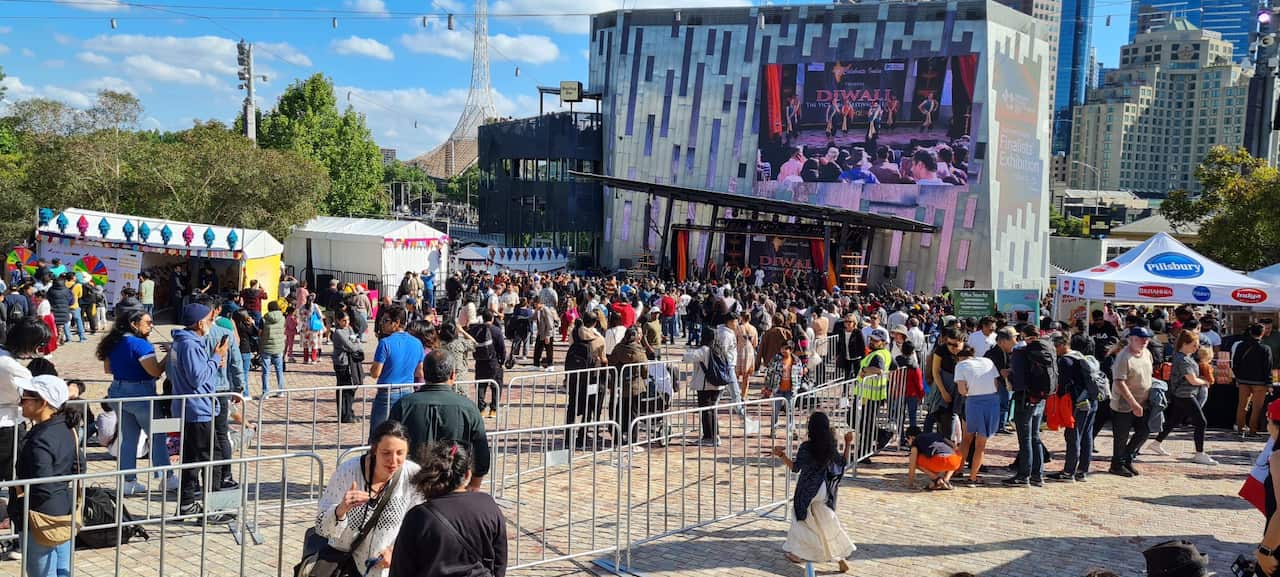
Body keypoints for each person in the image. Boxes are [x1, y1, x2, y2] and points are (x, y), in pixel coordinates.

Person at [315, 421, 423, 577]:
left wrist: (396, 551)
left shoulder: (412, 475)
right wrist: (341, 509)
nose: (393, 461)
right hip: (345, 566)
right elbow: (322, 528)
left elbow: (418, 526)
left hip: (386, 569)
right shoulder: (348, 471)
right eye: (386, 453)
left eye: (400, 453)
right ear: (374, 450)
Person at [389, 441, 508, 577]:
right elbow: (499, 562)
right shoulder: (488, 504)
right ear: (468, 475)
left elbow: (401, 570)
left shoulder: (418, 517)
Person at [97, 309, 176, 495]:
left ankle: (128, 480)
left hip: (118, 391)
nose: (151, 326)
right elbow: (155, 371)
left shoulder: (112, 342)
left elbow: (108, 369)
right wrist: (169, 354)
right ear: (134, 324)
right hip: (141, 392)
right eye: (148, 322)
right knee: (156, 436)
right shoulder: (140, 345)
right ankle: (167, 478)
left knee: (128, 438)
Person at [9, 374, 81, 577]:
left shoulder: (39, 439)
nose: (20, 403)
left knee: (42, 572)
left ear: (43, 403)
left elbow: (42, 483)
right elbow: (79, 467)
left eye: (24, 399)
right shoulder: (67, 427)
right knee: (61, 569)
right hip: (63, 509)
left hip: (39, 516)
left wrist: (21, 498)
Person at [389, 350, 490, 490]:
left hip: (412, 482)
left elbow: (389, 444)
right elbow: (481, 451)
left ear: (423, 373)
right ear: (453, 375)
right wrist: (475, 483)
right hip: (451, 483)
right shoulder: (468, 408)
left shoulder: (403, 405)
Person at [168, 303, 232, 521]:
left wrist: (213, 361)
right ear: (199, 322)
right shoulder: (190, 345)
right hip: (198, 408)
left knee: (192, 458)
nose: (212, 323)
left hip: (190, 407)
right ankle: (211, 509)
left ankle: (186, 504)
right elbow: (197, 377)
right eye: (209, 319)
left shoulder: (181, 341)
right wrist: (215, 357)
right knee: (211, 458)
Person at [771, 412, 854, 573]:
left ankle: (800, 554)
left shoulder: (806, 447)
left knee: (800, 522)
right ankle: (839, 557)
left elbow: (795, 468)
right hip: (823, 489)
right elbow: (842, 463)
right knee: (827, 521)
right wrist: (848, 443)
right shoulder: (830, 445)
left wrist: (781, 454)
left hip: (807, 490)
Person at [1148, 331, 1217, 465]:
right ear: (1184, 344)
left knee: (1174, 420)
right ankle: (1199, 453)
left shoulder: (1183, 357)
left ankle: (1156, 443)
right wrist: (1204, 381)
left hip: (1183, 394)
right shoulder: (1183, 359)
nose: (1196, 348)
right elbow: (1192, 380)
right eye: (1194, 345)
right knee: (1201, 422)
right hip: (1185, 395)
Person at [1003, 324, 1055, 487]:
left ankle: (1023, 475)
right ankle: (1037, 475)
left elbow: (1018, 380)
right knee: (1035, 437)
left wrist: (1008, 376)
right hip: (1041, 397)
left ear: (1023, 335)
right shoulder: (1048, 347)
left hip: (1025, 397)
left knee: (1025, 439)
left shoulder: (1021, 352)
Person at [1047, 334, 1096, 482]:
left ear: (1061, 345)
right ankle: (1082, 471)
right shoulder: (1080, 356)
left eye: (1054, 347)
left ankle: (1069, 472)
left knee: (1072, 435)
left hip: (1077, 403)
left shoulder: (1065, 361)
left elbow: (1062, 385)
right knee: (1086, 435)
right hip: (1091, 400)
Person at [370, 305, 424, 432]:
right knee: (402, 432)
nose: (382, 324)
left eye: (386, 321)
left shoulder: (385, 343)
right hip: (408, 390)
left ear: (397, 323)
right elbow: (419, 371)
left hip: (387, 392)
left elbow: (375, 373)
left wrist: (373, 369)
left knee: (378, 433)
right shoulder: (417, 342)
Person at [1109, 326, 1154, 478]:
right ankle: (1117, 464)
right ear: (1131, 339)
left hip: (1144, 401)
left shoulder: (1147, 353)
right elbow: (1119, 382)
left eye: (1146, 339)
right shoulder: (1124, 357)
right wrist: (1133, 403)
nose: (1144, 342)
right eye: (1140, 339)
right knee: (1121, 436)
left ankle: (1127, 458)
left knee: (1144, 431)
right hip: (1124, 403)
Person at [954, 345, 999, 486]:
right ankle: (973, 477)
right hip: (991, 402)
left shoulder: (961, 366)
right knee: (981, 445)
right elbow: (996, 383)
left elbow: (962, 391)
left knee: (966, 439)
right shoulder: (987, 361)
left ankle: (958, 470)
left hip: (973, 402)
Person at [1234, 323, 1273, 437]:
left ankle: (1240, 428)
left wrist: (1238, 376)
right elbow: (1268, 367)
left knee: (1242, 405)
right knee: (1257, 408)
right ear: (1262, 333)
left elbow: (1235, 363)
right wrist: (1269, 383)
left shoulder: (1241, 346)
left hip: (1244, 380)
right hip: (1260, 382)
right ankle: (1253, 430)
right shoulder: (1265, 348)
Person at [467, 311, 506, 418]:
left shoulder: (476, 330)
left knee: (480, 385)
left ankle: (481, 409)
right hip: (493, 361)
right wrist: (502, 361)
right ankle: (493, 409)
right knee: (496, 385)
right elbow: (502, 348)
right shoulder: (496, 330)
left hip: (480, 361)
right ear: (492, 318)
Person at [331, 311, 364, 424]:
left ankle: (349, 411)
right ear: (338, 321)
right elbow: (351, 346)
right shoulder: (338, 333)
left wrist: (356, 345)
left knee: (351, 388)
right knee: (344, 389)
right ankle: (344, 414)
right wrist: (356, 345)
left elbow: (357, 343)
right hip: (342, 364)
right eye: (344, 320)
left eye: (348, 320)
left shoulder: (349, 329)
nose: (346, 323)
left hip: (351, 362)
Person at [904, 426, 962, 491]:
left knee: (914, 460)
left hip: (938, 461)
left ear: (911, 437)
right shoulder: (936, 435)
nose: (908, 443)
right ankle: (946, 480)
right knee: (956, 454)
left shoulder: (916, 441)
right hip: (955, 462)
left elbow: (912, 464)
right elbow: (955, 447)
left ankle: (937, 479)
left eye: (907, 440)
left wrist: (910, 483)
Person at [259, 301, 287, 399]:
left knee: (266, 371)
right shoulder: (282, 318)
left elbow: (260, 333)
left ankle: (266, 392)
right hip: (278, 347)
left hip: (266, 347)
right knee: (279, 370)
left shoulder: (263, 319)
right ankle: (281, 391)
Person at [532, 296, 557, 371]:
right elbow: (533, 318)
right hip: (540, 333)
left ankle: (550, 365)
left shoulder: (546, 310)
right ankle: (536, 365)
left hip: (547, 333)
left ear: (540, 303)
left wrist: (548, 335)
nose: (535, 305)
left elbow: (550, 324)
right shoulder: (538, 310)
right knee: (537, 349)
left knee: (549, 349)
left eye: (536, 304)